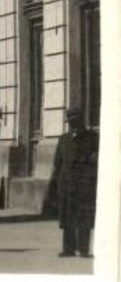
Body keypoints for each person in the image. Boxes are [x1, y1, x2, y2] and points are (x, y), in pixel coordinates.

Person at [52, 107, 99, 258]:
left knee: (84, 218)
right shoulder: (64, 139)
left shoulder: (92, 138)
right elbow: (57, 162)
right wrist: (59, 182)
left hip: (85, 184)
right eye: (71, 121)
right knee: (67, 218)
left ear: (82, 120)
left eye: (77, 120)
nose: (74, 124)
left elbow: (97, 161)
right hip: (67, 184)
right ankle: (68, 249)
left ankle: (84, 249)